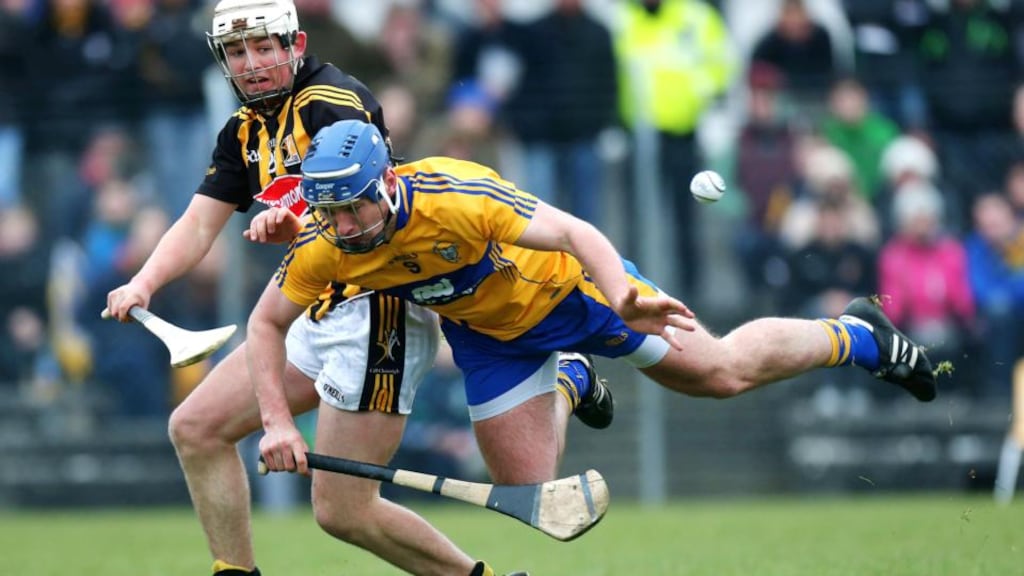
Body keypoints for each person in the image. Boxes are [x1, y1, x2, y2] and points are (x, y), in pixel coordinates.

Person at [246, 121, 940, 569]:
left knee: (720, 373)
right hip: (493, 340)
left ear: (388, 183)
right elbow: (266, 324)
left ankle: (857, 336)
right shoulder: (326, 247)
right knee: (532, 493)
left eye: (356, 206)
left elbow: (578, 232)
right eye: (329, 211)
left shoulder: (456, 196)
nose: (346, 224)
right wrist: (277, 420)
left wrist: (626, 295)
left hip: (577, 295)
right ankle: (572, 381)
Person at [105, 1, 563, 574]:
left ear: (294, 46)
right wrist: (143, 282)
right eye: (237, 51)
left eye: (262, 47)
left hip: (374, 310)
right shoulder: (243, 131)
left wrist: (300, 225)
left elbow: (368, 212)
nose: (250, 64)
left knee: (342, 510)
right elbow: (199, 222)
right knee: (196, 429)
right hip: (313, 309)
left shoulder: (332, 103)